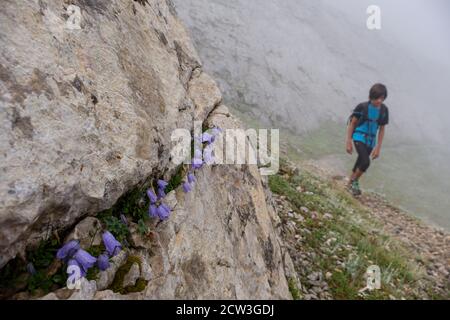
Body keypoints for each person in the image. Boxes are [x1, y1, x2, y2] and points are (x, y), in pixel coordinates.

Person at [346, 83, 389, 196]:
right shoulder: (362, 107)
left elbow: (382, 129)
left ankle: (349, 185)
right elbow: (353, 123)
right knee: (365, 162)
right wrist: (348, 141)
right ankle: (354, 182)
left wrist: (378, 148)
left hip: (371, 141)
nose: (380, 101)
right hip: (359, 136)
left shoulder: (384, 110)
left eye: (382, 98)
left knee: (360, 162)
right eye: (377, 98)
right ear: (371, 96)